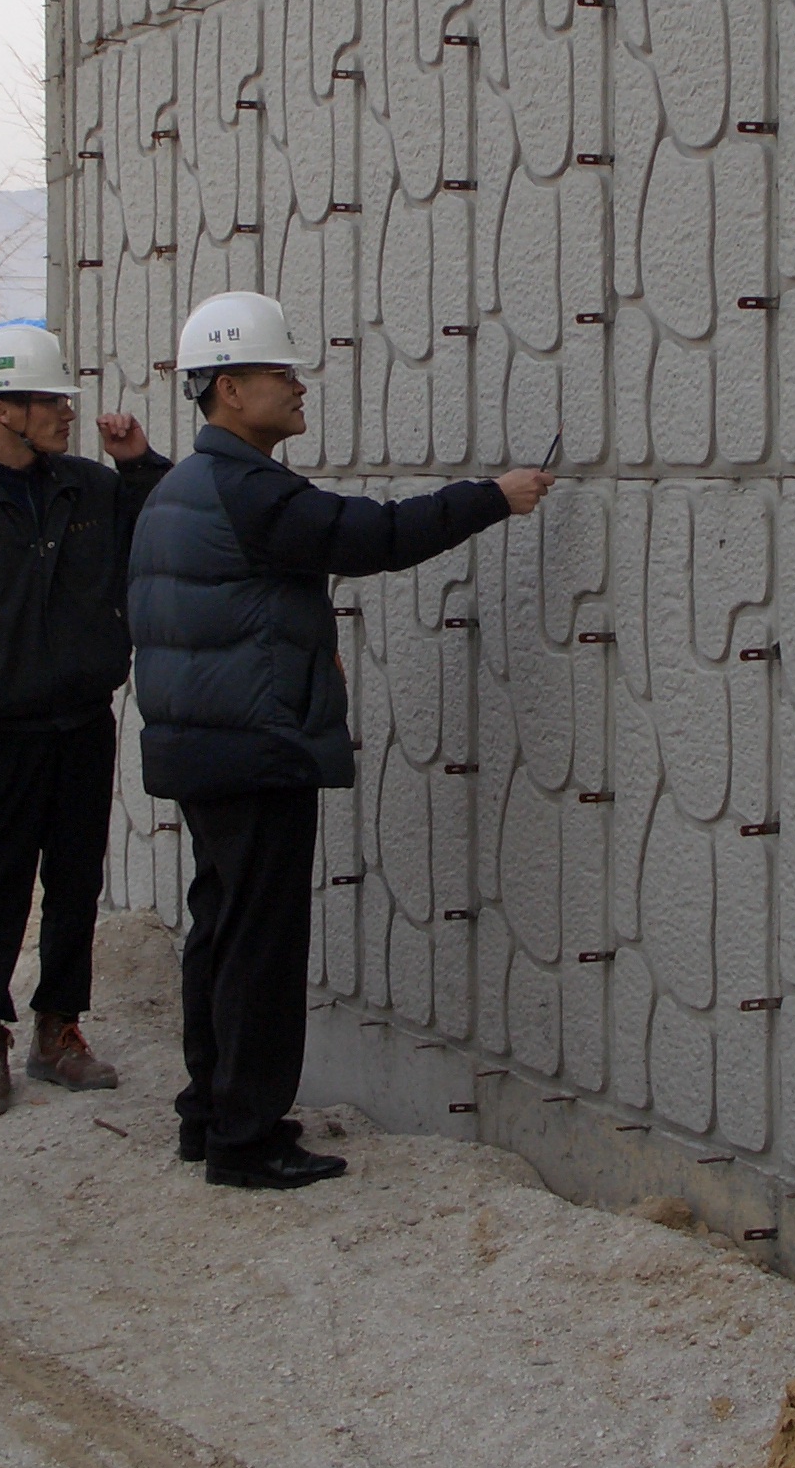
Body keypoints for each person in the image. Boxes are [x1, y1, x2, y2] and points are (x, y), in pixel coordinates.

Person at [129, 292, 551, 1191]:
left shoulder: (181, 486)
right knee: (259, 948)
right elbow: (373, 537)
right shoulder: (247, 490)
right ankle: (247, 1138)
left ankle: (210, 1116)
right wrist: (491, 498)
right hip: (252, 750)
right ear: (231, 389)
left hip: (207, 750)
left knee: (222, 931)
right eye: (282, 373)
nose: (299, 385)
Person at [0, 328, 168, 1120]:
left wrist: (138, 463)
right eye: (50, 401)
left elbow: (165, 515)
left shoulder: (91, 489)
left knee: (77, 879)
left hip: (81, 722)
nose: (66, 413)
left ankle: (59, 1029)